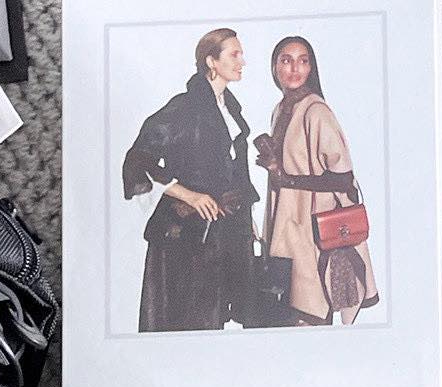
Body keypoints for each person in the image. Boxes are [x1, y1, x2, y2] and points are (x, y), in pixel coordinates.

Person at [121, 28, 259, 333]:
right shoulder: (185, 106)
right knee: (191, 318)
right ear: (211, 61)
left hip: (226, 229)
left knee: (219, 315)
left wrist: (247, 217)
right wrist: (189, 195)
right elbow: (138, 159)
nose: (242, 61)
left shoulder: (230, 108)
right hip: (189, 235)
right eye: (234, 54)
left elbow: (235, 169)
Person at [255, 36, 378, 326]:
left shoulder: (317, 111)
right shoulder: (281, 109)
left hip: (312, 225)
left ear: (311, 68)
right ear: (275, 68)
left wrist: (285, 178)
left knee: (309, 308)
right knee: (288, 309)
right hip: (288, 222)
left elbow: (343, 178)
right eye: (286, 60)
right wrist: (275, 167)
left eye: (303, 61)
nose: (295, 68)